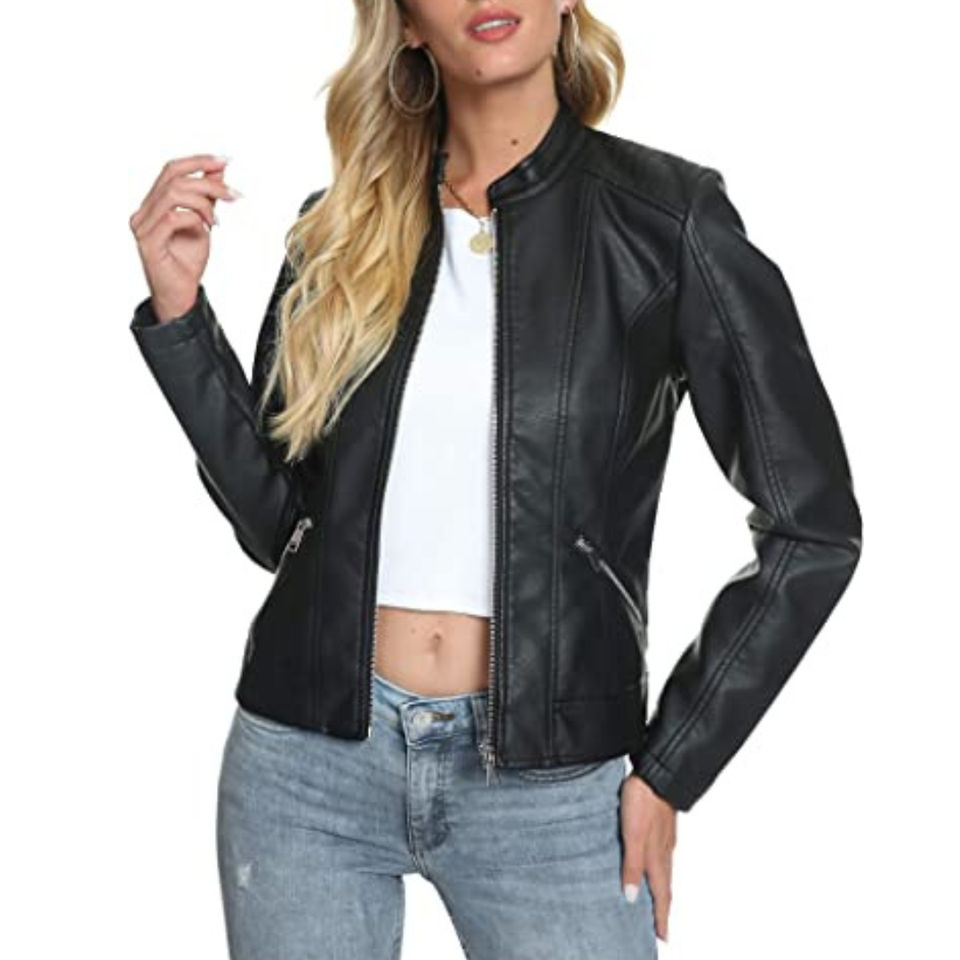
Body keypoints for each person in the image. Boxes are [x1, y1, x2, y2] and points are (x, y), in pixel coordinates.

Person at [127, 1, 862, 957]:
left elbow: (814, 526)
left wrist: (672, 767)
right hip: (306, 769)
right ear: (406, 24)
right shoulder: (336, 231)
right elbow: (283, 529)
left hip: (552, 788)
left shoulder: (665, 221)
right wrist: (180, 316)